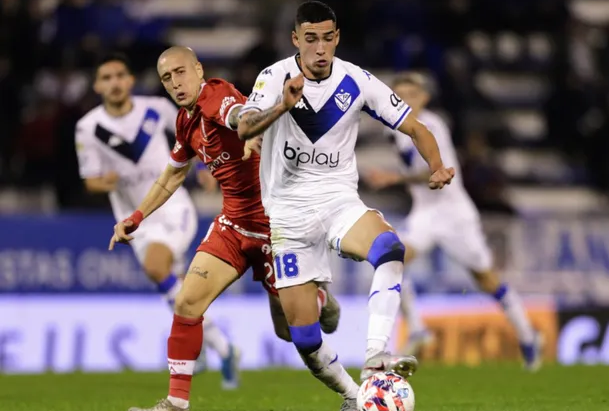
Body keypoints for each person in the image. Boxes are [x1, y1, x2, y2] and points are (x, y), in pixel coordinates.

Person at [237, 2, 454, 409]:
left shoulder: (357, 81)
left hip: (338, 201)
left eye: (327, 38)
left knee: (390, 249)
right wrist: (283, 105)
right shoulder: (274, 77)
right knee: (300, 338)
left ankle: (375, 358)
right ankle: (355, 397)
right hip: (287, 215)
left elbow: (415, 126)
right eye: (311, 39)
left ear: (337, 38)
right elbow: (244, 127)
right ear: (296, 39)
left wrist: (437, 165)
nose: (320, 48)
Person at [110, 46, 341, 411]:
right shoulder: (185, 122)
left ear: (198, 70)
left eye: (181, 72)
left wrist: (255, 126)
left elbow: (238, 116)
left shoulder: (216, 96)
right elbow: (173, 175)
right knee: (187, 302)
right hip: (233, 224)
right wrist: (136, 217)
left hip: (275, 227)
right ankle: (175, 403)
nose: (176, 82)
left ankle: (320, 298)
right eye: (167, 78)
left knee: (290, 333)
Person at [74, 53, 240, 388]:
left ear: (130, 81)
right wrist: (112, 179)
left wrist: (207, 167)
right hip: (135, 217)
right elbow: (90, 180)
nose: (115, 82)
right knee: (177, 288)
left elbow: (198, 135)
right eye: (106, 78)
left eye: (120, 75)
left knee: (156, 267)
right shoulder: (88, 128)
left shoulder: (157, 109)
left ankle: (205, 348)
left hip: (172, 208)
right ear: (97, 86)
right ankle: (220, 346)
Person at [363, 72, 542, 371]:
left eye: (412, 94)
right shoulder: (394, 129)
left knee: (486, 279)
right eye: (399, 94)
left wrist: (395, 178)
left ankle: (527, 335)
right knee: (391, 260)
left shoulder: (432, 126)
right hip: (425, 213)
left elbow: (439, 171)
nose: (405, 100)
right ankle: (417, 328)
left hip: (454, 213)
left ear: (424, 98)